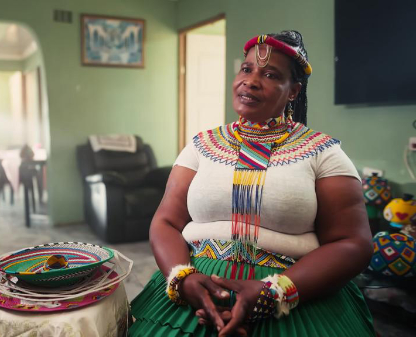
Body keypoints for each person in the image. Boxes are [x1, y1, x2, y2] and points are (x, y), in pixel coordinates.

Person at [129, 30, 375, 336]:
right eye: (246, 69)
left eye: (271, 75)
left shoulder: (324, 152)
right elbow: (165, 221)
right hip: (197, 289)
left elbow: (353, 243)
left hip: (293, 293)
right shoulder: (201, 145)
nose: (251, 80)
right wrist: (184, 279)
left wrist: (274, 292)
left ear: (294, 91)